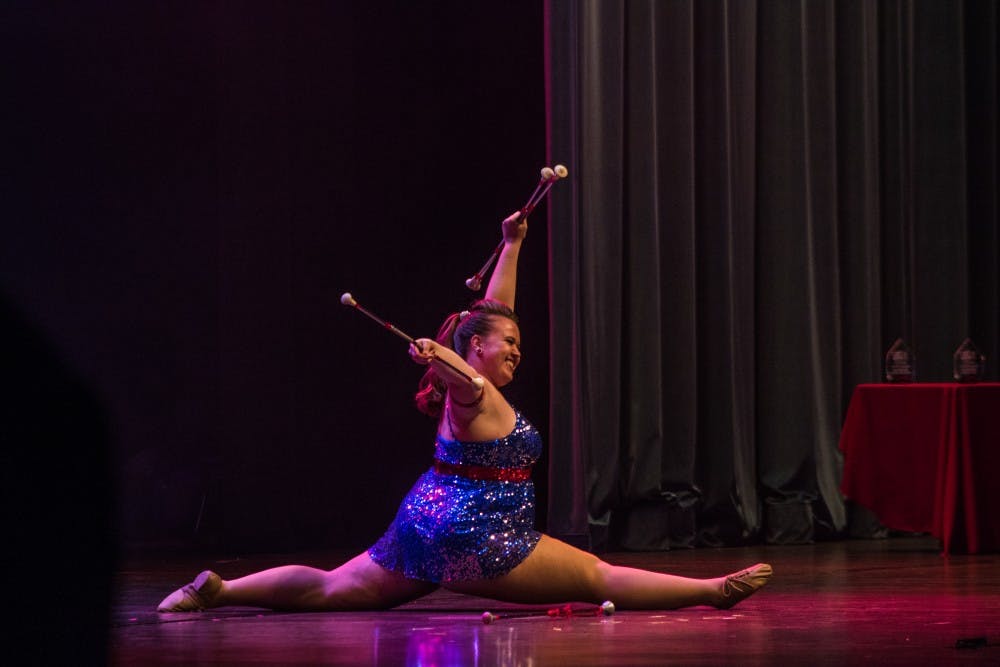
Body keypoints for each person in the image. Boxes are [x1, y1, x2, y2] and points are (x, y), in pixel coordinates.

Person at [158, 211, 772, 613]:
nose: (518, 352)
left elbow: (493, 317)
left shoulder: (479, 375)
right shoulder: (472, 389)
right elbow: (466, 374)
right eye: (509, 345)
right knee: (596, 578)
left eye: (518, 344)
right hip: (477, 536)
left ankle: (217, 590)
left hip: (425, 520)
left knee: (332, 586)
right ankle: (712, 591)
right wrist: (440, 354)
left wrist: (512, 246)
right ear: (473, 348)